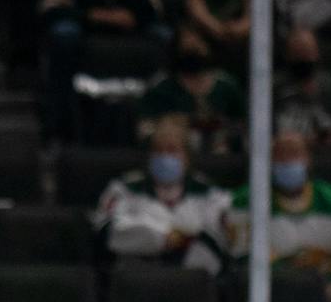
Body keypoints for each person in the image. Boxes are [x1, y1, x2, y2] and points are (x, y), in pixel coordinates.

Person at [39, 0, 169, 138]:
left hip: (133, 32)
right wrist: (92, 15)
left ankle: (159, 114)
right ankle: (59, 117)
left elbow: (156, 12)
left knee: (164, 35)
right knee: (63, 33)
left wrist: (132, 17)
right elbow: (51, 7)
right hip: (86, 30)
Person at [225, 130, 331, 299]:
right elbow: (241, 257)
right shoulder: (247, 200)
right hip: (270, 294)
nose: (288, 162)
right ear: (269, 162)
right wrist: (296, 283)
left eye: (294, 155)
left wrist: (329, 283)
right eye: (280, 156)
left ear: (308, 160)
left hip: (325, 294)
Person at [94, 117, 230, 273]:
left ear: (186, 157)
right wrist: (166, 237)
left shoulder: (210, 194)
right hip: (135, 278)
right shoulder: (123, 189)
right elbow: (108, 233)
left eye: (172, 150)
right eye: (158, 150)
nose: (165, 156)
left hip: (191, 282)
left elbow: (216, 243)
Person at [136, 28, 246, 150]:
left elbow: (243, 125)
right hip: (174, 153)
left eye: (198, 48)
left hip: (222, 155)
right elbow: (144, 130)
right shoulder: (161, 87)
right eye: (187, 49)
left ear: (209, 48)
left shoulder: (227, 86)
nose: (193, 54)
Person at [274, 26, 331, 148]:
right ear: (287, 56)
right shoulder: (272, 90)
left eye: (307, 54)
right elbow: (260, 141)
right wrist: (305, 142)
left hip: (330, 156)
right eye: (297, 54)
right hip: (286, 156)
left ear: (317, 54)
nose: (303, 60)